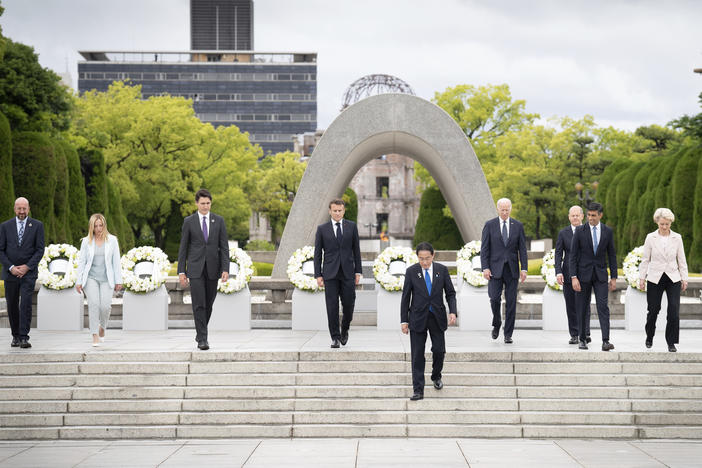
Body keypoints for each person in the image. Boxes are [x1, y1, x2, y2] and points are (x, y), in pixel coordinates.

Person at [401, 242, 457, 401]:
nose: (424, 262)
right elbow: (406, 298)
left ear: (433, 255)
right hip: (417, 318)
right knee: (417, 354)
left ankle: (436, 375)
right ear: (417, 257)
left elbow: (450, 293)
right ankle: (418, 389)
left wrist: (452, 311)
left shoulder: (442, 270)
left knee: (439, 350)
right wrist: (404, 320)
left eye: (427, 258)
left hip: (437, 317)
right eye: (421, 259)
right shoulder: (411, 272)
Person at [178, 189, 229, 350]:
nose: (205, 206)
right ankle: (203, 339)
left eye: (208, 203)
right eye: (202, 203)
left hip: (213, 269)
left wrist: (225, 268)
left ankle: (200, 332)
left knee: (209, 303)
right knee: (199, 304)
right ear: (197, 204)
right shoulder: (189, 221)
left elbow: (224, 247)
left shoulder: (219, 221)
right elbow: (183, 248)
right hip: (195, 269)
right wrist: (181, 271)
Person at [638, 208, 688, 352]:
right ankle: (650, 336)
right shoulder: (650, 237)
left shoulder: (677, 238)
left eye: (667, 224)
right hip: (655, 277)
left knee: (673, 311)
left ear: (670, 223)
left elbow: (682, 260)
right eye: (662, 224)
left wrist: (684, 278)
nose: (664, 227)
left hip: (673, 277)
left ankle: (671, 342)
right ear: (657, 223)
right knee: (653, 310)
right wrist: (642, 278)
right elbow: (645, 259)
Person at [313, 199, 362, 348]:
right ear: (330, 211)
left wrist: (358, 271)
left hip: (348, 272)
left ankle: (345, 328)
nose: (337, 213)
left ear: (344, 211)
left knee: (349, 304)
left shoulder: (351, 227)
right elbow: (317, 254)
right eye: (334, 210)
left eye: (340, 210)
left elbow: (356, 250)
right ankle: (334, 337)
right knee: (332, 306)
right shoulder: (322, 229)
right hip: (330, 273)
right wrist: (318, 274)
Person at [570, 202, 617, 351]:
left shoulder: (607, 231)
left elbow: (612, 255)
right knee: (582, 307)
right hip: (582, 276)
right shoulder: (579, 231)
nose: (590, 218)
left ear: (600, 215)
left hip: (601, 276)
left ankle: (605, 341)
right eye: (589, 215)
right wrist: (573, 277)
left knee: (603, 307)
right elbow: (573, 256)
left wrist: (614, 277)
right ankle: (582, 339)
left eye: (593, 215)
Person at [480, 198, 528, 344]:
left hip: (512, 269)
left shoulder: (518, 226)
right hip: (494, 269)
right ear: (498, 209)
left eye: (507, 210)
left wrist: (524, 268)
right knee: (494, 298)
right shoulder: (490, 225)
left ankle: (508, 334)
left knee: (511, 302)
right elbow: (485, 249)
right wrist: (485, 267)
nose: (505, 212)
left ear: (510, 209)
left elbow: (522, 249)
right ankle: (496, 322)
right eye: (502, 210)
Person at [0, 197, 45, 349]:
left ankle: (24, 337)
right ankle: (15, 336)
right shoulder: (5, 226)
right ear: (14, 209)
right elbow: (1, 250)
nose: (21, 211)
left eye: (24, 208)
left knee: (25, 303)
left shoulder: (37, 226)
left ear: (28, 208)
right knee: (12, 304)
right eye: (19, 208)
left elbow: (40, 250)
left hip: (29, 273)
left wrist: (27, 267)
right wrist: (11, 267)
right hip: (10, 273)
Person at [75, 214, 122, 346]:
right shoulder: (86, 241)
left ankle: (102, 327)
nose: (99, 228)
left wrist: (119, 280)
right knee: (94, 304)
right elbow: (82, 262)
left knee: (105, 306)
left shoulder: (112, 240)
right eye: (96, 226)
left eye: (101, 225)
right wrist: (78, 281)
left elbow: (116, 262)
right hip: (91, 278)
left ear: (104, 225)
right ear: (92, 227)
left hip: (107, 279)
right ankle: (94, 334)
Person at [555, 205, 589, 344]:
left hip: (585, 273)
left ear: (582, 216)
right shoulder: (563, 233)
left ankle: (585, 333)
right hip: (568, 274)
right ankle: (574, 334)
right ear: (569, 217)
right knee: (571, 305)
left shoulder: (589, 231)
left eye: (577, 215)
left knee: (584, 305)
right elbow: (558, 254)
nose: (575, 217)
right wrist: (558, 271)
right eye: (572, 215)